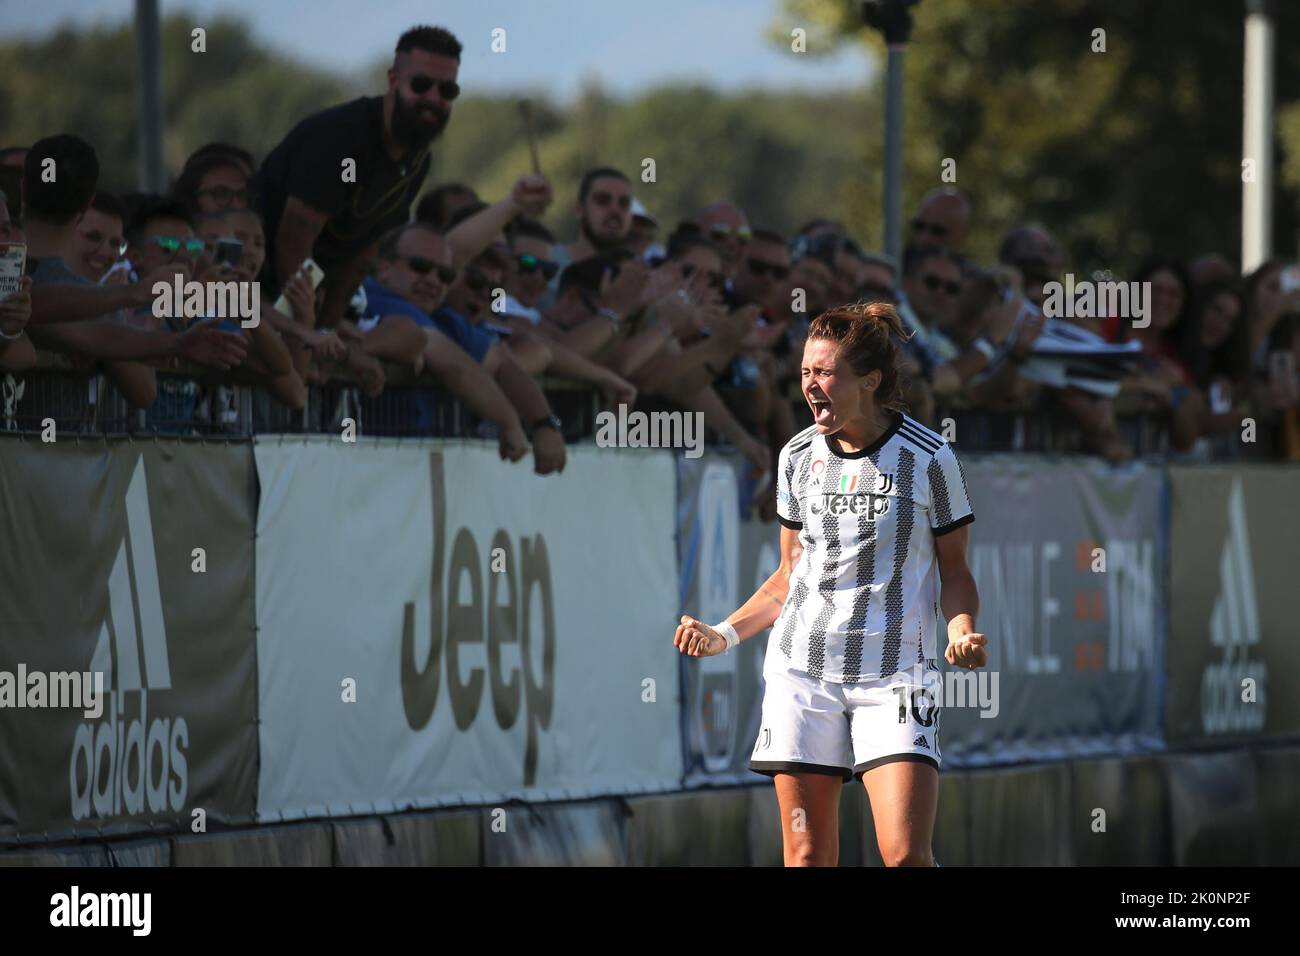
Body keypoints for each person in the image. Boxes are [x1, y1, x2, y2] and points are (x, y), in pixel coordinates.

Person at [674, 300, 985, 867]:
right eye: (805, 373)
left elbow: (955, 569)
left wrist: (962, 628)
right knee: (808, 855)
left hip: (896, 679)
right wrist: (723, 634)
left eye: (826, 373)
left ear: (868, 381)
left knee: (907, 855)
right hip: (802, 675)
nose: (811, 386)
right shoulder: (795, 455)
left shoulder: (930, 457)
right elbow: (790, 574)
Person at [254, 25, 464, 329]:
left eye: (447, 90)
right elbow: (294, 239)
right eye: (420, 84)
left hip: (308, 297)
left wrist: (328, 329)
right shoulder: (343, 138)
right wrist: (304, 328)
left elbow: (362, 256)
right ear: (393, 80)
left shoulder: (418, 160)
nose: (433, 98)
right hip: (250, 287)